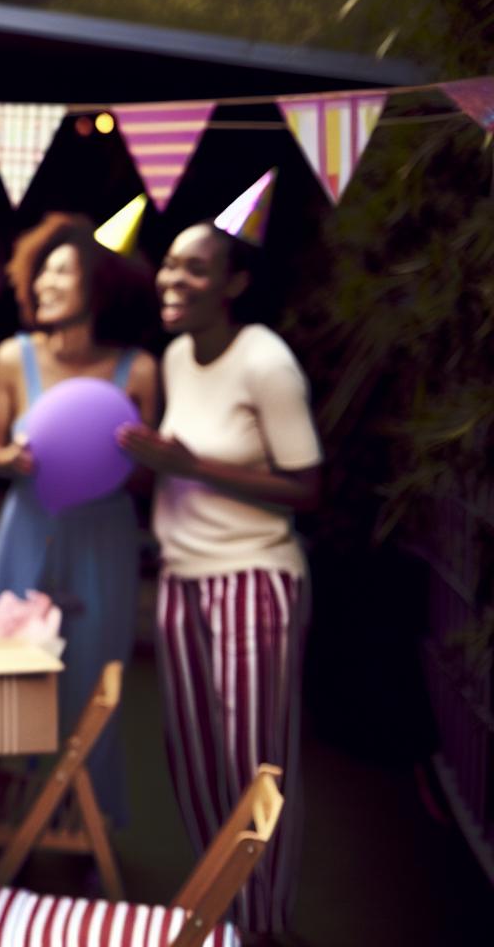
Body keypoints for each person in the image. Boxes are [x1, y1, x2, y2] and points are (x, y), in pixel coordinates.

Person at [119, 171, 320, 941]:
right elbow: (178, 464)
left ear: (233, 283)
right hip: (181, 583)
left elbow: (308, 489)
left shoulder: (267, 361)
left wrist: (190, 466)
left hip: (255, 582)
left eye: (194, 268)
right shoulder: (174, 357)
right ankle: (226, 914)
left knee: (256, 769)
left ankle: (264, 928)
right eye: (169, 264)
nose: (173, 278)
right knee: (196, 765)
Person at [0, 207, 159, 825]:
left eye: (64, 271)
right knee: (6, 675)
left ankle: (91, 830)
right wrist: (14, 459)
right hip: (27, 525)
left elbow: (145, 478)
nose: (45, 284)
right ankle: (0, 825)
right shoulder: (11, 356)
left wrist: (129, 458)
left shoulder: (138, 370)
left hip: (104, 533)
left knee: (91, 682)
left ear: (99, 284)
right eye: (42, 271)